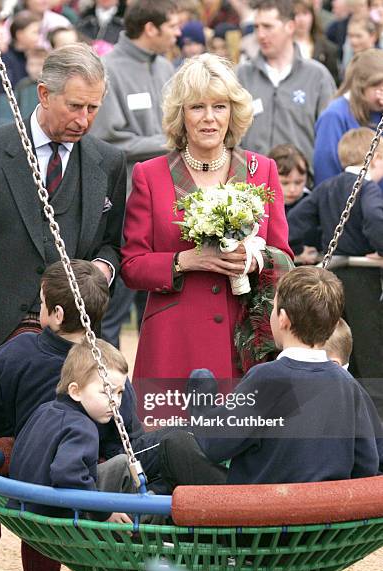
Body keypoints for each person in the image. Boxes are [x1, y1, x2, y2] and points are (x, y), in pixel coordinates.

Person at [0, 43, 126, 571]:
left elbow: (112, 243)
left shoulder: (107, 162)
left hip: (67, 353)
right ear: (41, 95)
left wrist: (104, 269)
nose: (85, 119)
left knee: (50, 487)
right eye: (75, 106)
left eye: (94, 108)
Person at [121, 53, 293, 387]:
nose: (209, 118)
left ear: (233, 112)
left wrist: (253, 258)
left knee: (241, 437)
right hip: (174, 342)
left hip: (245, 341)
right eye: (197, 107)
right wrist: (185, 260)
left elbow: (285, 257)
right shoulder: (150, 175)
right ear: (180, 115)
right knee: (171, 438)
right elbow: (131, 266)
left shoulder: (263, 170)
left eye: (220, 106)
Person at [159, 267, 383, 490]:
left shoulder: (266, 379)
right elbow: (367, 463)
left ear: (283, 319)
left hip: (262, 517)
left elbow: (215, 443)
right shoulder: (349, 386)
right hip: (326, 518)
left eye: (273, 308)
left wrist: (201, 394)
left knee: (175, 444)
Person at [90, 0, 181, 348]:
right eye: (172, 26)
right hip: (128, 203)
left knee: (161, 307)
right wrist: (170, 141)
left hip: (170, 201)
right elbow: (107, 139)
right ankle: (109, 391)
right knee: (114, 309)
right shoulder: (108, 69)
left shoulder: (165, 67)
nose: (177, 33)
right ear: (150, 28)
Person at [288, 126, 383, 417]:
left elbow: (293, 221)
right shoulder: (366, 188)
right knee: (370, 357)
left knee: (336, 352)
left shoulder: (326, 188)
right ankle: (377, 435)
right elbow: (376, 220)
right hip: (362, 280)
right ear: (375, 157)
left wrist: (302, 248)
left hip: (331, 282)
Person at [9, 338, 134, 522]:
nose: (116, 401)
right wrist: (105, 514)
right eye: (107, 392)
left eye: (120, 392)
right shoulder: (83, 427)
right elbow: (67, 475)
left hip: (23, 507)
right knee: (132, 478)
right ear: (75, 391)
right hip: (58, 517)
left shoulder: (44, 410)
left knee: (122, 464)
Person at [236, 0, 336, 173]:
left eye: (268, 27)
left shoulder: (317, 76)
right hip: (250, 187)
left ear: (290, 27)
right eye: (256, 27)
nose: (260, 35)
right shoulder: (242, 75)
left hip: (301, 189)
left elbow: (329, 140)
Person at [313, 48, 383, 188]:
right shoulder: (335, 116)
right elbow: (326, 177)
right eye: (379, 89)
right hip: (354, 205)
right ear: (361, 86)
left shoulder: (377, 110)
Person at [268, 142, 319, 264]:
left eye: (299, 182)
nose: (292, 189)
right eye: (285, 183)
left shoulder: (311, 204)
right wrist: (298, 256)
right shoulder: (263, 206)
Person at [293, 0, 339, 85]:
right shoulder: (282, 46)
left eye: (305, 13)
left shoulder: (327, 48)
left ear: (312, 17)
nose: (301, 19)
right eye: (297, 14)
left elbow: (333, 83)